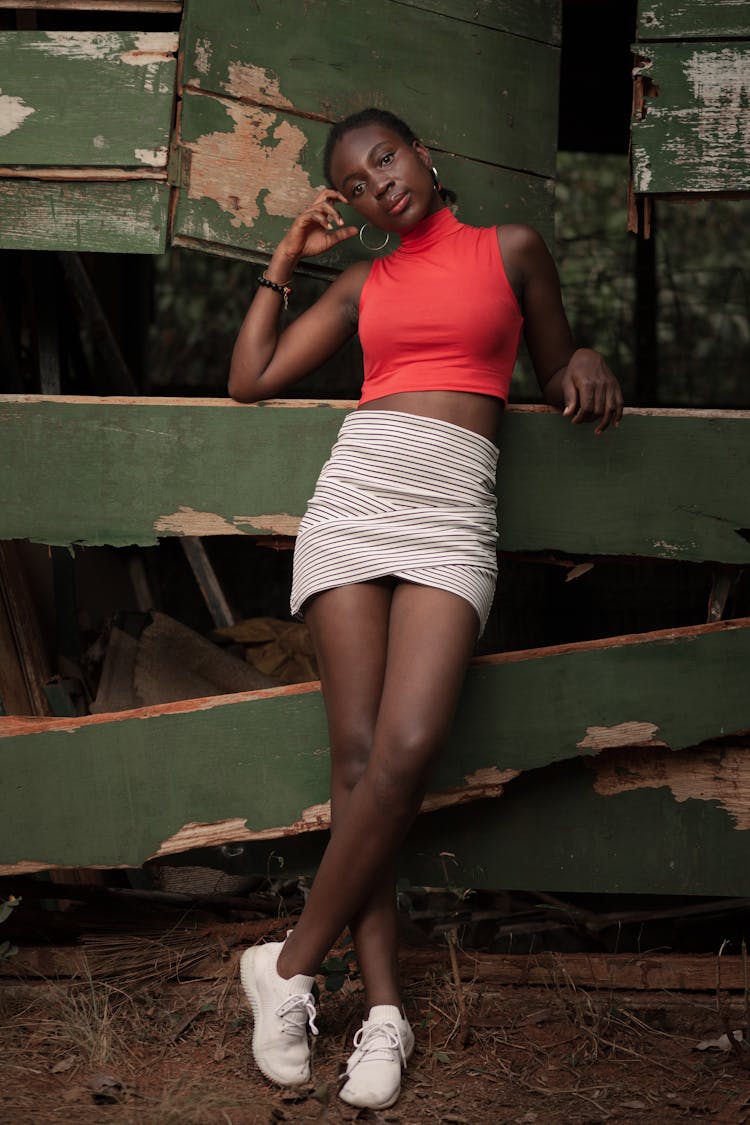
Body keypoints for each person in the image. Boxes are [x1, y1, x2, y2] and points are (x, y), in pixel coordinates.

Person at [229, 107, 623, 1110]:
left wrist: (583, 363)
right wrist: (287, 254)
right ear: (351, 207)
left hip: (451, 517)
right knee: (359, 763)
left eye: (386, 159)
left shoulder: (513, 249)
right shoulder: (364, 281)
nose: (377, 184)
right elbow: (250, 378)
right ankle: (386, 1015)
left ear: (425, 154)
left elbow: (553, 361)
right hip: (356, 503)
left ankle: (285, 967)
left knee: (406, 752)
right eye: (356, 183)